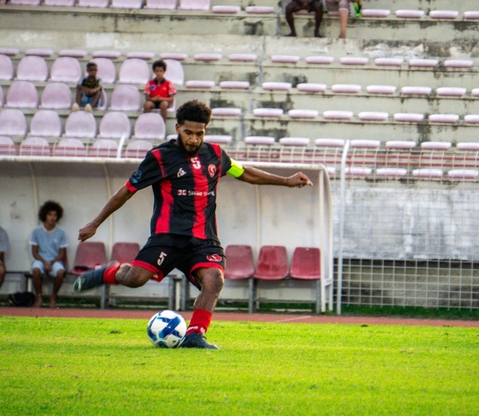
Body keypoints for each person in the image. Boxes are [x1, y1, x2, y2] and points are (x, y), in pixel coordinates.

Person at [74, 100, 313, 350]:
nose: (194, 139)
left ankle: (195, 334)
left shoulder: (216, 154)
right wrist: (95, 223)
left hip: (203, 240)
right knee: (135, 279)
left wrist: (286, 181)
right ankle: (108, 272)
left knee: (214, 280)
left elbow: (245, 172)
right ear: (178, 127)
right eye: (189, 132)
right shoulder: (160, 157)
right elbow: (127, 190)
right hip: (167, 237)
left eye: (200, 133)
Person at [29, 201, 68, 308]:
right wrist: (44, 262)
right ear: (44, 215)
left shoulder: (61, 233)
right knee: (35, 270)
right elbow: (34, 253)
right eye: (50, 214)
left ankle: (53, 298)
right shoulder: (36, 232)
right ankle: (39, 298)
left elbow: (62, 254)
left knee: (60, 272)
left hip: (55, 260)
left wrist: (51, 262)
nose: (52, 217)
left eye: (55, 215)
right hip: (40, 259)